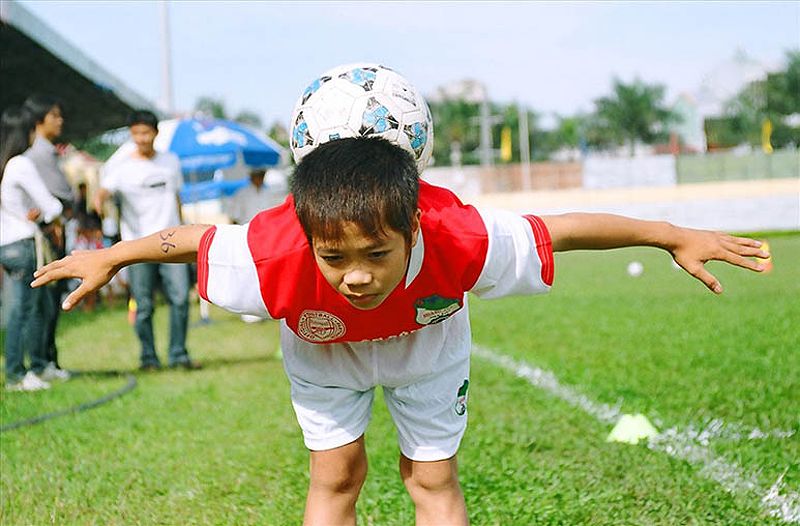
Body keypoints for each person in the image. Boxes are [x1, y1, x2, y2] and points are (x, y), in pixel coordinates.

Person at [33, 137, 768, 524]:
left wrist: (668, 234)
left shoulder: (461, 235)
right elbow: (191, 239)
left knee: (432, 477)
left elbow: (566, 229)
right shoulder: (270, 254)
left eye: (376, 254)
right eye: (336, 257)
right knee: (336, 474)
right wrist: (110, 255)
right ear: (308, 238)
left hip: (427, 347)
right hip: (323, 354)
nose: (356, 275)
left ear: (413, 229)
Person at [93, 110, 199, 371]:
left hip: (173, 243)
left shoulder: (170, 161)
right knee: (143, 305)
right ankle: (148, 358)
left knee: (180, 300)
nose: (141, 138)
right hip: (137, 246)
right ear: (131, 135)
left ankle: (178, 355)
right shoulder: (122, 168)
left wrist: (185, 228)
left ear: (155, 133)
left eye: (146, 132)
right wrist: (100, 203)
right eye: (136, 133)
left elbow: (176, 198)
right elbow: (102, 193)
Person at [1, 107, 63, 391]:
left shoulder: (3, 164)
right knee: (25, 311)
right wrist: (42, 213)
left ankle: (38, 367)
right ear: (26, 132)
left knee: (32, 308)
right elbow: (53, 206)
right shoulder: (19, 164)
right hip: (24, 244)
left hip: (6, 244)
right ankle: (17, 373)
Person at [23, 94, 74, 381]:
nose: (60, 120)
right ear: (39, 119)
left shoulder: (47, 151)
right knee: (43, 303)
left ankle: (47, 359)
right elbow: (60, 195)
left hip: (53, 232)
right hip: (45, 236)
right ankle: (41, 362)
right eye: (54, 115)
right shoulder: (37, 155)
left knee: (50, 301)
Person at [227, 168, 285, 323]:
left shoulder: (270, 194)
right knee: (248, 274)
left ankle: (267, 308)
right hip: (247, 238)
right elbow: (233, 217)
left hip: (267, 239)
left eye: (261, 175)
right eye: (257, 175)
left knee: (267, 274)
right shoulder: (242, 194)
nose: (259, 178)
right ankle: (249, 313)